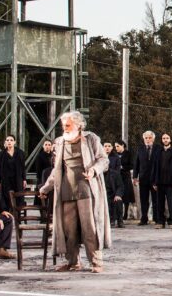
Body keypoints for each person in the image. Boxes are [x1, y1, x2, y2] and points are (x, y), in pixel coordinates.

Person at [40, 111, 111, 273]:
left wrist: (93, 170)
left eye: (68, 125)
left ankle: (96, 262)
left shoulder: (91, 138)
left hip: (86, 189)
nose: (64, 128)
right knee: (69, 229)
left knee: (89, 227)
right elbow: (56, 170)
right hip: (66, 189)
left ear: (78, 125)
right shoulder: (59, 142)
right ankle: (73, 262)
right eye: (63, 125)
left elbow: (104, 160)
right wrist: (45, 188)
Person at [150, 132, 172, 229]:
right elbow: (153, 167)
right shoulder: (158, 152)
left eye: (167, 138)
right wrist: (154, 181)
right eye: (163, 138)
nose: (165, 140)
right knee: (159, 203)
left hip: (171, 182)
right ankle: (160, 221)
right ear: (161, 140)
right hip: (160, 182)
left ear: (170, 140)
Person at [0, 135, 27, 211]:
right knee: (5, 199)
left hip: (17, 179)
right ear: (5, 142)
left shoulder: (20, 153)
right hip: (5, 180)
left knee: (18, 198)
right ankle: (7, 218)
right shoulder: (1, 154)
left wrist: (24, 179)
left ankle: (17, 218)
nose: (9, 142)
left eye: (11, 140)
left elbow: (23, 168)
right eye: (7, 140)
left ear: (14, 142)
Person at [133, 131, 157, 225]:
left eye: (149, 138)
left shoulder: (158, 148)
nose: (148, 139)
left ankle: (156, 217)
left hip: (155, 178)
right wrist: (135, 177)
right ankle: (144, 218)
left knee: (156, 199)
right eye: (146, 138)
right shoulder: (140, 149)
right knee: (144, 200)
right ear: (143, 139)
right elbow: (136, 164)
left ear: (153, 139)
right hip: (143, 179)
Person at [113, 140, 135, 221]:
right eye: (115, 147)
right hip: (117, 177)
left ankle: (125, 214)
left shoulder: (128, 153)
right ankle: (117, 214)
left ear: (122, 145)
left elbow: (132, 165)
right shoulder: (115, 155)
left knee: (126, 195)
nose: (116, 148)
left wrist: (123, 167)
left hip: (125, 177)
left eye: (118, 146)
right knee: (118, 195)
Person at [104, 155, 125, 228]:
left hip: (112, 195)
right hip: (102, 195)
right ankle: (109, 220)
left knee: (118, 200)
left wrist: (118, 195)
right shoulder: (97, 174)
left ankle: (120, 221)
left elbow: (120, 186)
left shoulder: (115, 173)